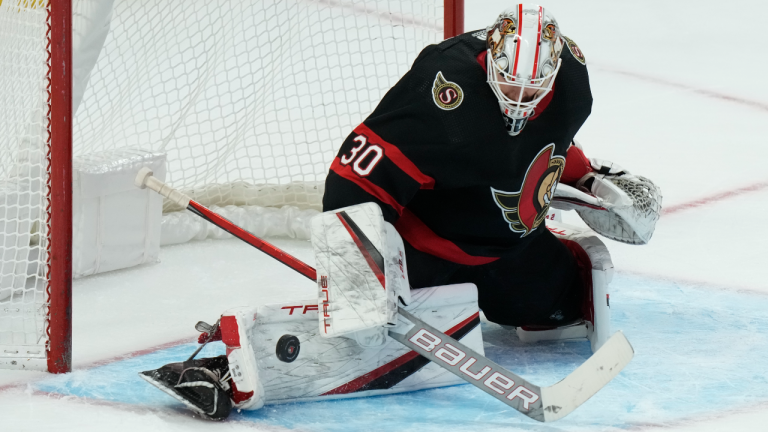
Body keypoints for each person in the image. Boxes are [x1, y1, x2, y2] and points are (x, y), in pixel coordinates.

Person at [141, 4, 661, 420]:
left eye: (534, 88)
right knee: (364, 340)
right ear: (491, 60)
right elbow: (353, 178)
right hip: (426, 251)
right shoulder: (444, 89)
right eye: (510, 84)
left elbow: (544, 143)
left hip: (513, 250)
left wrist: (588, 178)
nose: (520, 99)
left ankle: (536, 277)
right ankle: (223, 367)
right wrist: (359, 267)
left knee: (562, 307)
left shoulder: (572, 79)